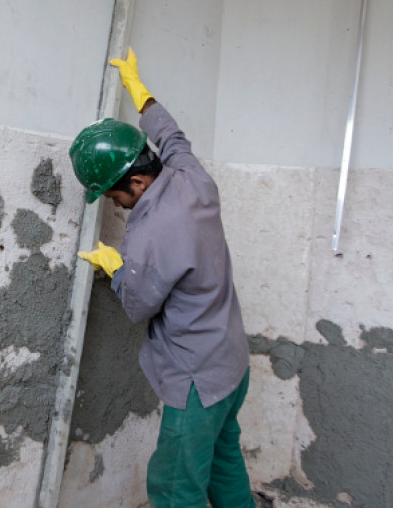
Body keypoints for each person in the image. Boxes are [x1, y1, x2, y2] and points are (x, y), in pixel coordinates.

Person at [69, 48, 254, 508]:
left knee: (175, 491)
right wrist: (139, 89)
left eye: (113, 196)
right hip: (231, 364)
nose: (114, 206)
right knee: (225, 467)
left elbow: (138, 305)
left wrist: (114, 267)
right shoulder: (193, 179)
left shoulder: (149, 236)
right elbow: (172, 137)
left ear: (137, 184)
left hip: (196, 385)